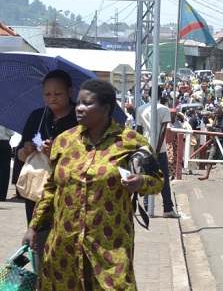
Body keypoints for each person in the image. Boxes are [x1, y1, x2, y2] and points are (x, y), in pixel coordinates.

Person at [22, 78, 163, 289]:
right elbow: (51, 189)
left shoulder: (131, 141)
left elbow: (158, 180)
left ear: (106, 108)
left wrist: (141, 181)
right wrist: (33, 227)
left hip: (109, 246)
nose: (79, 108)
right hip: (64, 245)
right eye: (78, 102)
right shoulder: (65, 141)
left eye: (87, 103)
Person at [16, 70, 79, 269]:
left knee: (65, 243)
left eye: (57, 94)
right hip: (37, 192)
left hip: (68, 191)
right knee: (38, 242)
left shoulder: (80, 117)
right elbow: (19, 156)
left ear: (70, 91)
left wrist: (57, 153)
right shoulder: (37, 116)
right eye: (47, 94)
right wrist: (26, 150)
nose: (52, 98)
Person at [136, 93, 179, 217]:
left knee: (145, 176)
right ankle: (167, 208)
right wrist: (157, 149)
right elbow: (162, 131)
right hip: (160, 151)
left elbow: (138, 130)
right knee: (164, 178)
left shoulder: (141, 109)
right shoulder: (164, 109)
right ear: (161, 95)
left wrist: (138, 147)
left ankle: (146, 207)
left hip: (144, 147)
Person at [198, 106, 223, 181]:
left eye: (217, 113)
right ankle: (207, 175)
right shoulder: (215, 120)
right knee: (210, 158)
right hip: (215, 142)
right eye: (215, 113)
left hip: (222, 143)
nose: (216, 115)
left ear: (221, 113)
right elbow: (213, 129)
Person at [0, 125, 13, 202]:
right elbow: (10, 133)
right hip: (4, 143)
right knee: (4, 171)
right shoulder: (6, 121)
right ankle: (2, 194)